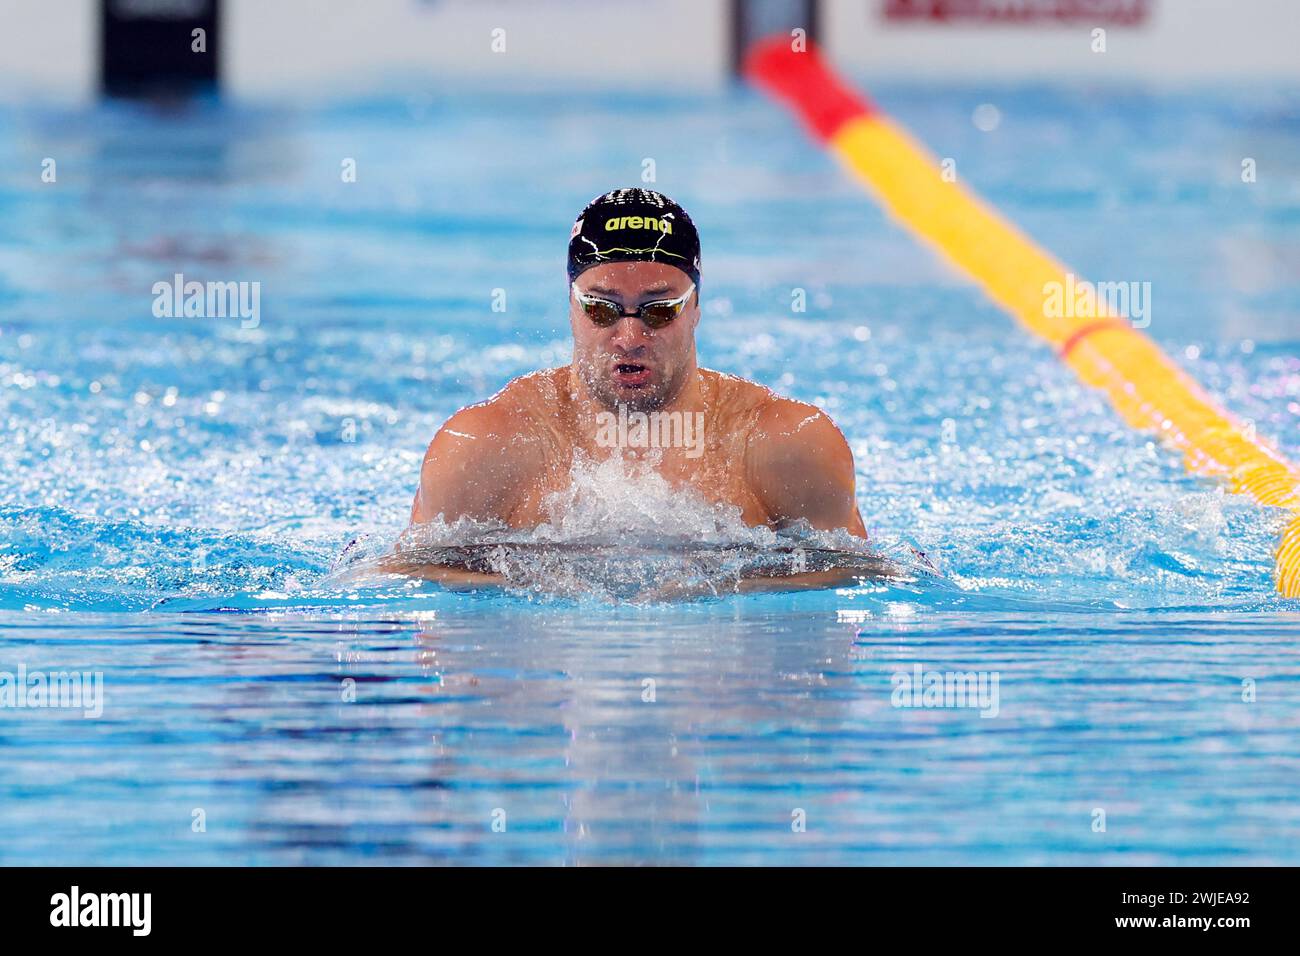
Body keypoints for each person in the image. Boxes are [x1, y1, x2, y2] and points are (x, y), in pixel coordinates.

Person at [401, 188, 866, 587]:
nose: (629, 338)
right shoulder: (486, 447)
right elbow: (398, 586)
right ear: (570, 305)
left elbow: (867, 582)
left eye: (659, 310)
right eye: (601, 310)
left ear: (696, 307)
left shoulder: (782, 444)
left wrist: (721, 591)